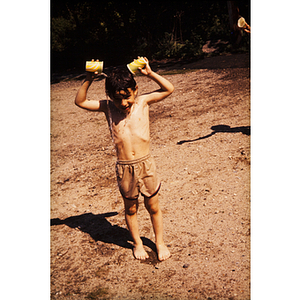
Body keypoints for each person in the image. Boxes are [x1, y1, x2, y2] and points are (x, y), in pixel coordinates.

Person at [75, 57, 174, 261]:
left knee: (153, 206)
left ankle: (160, 242)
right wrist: (88, 79)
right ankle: (138, 243)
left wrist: (150, 73)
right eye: (117, 98)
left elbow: (168, 89)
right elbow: (80, 101)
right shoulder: (108, 107)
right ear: (109, 96)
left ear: (135, 90)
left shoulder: (143, 101)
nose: (123, 103)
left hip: (146, 165)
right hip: (125, 167)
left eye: (127, 97)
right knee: (131, 209)